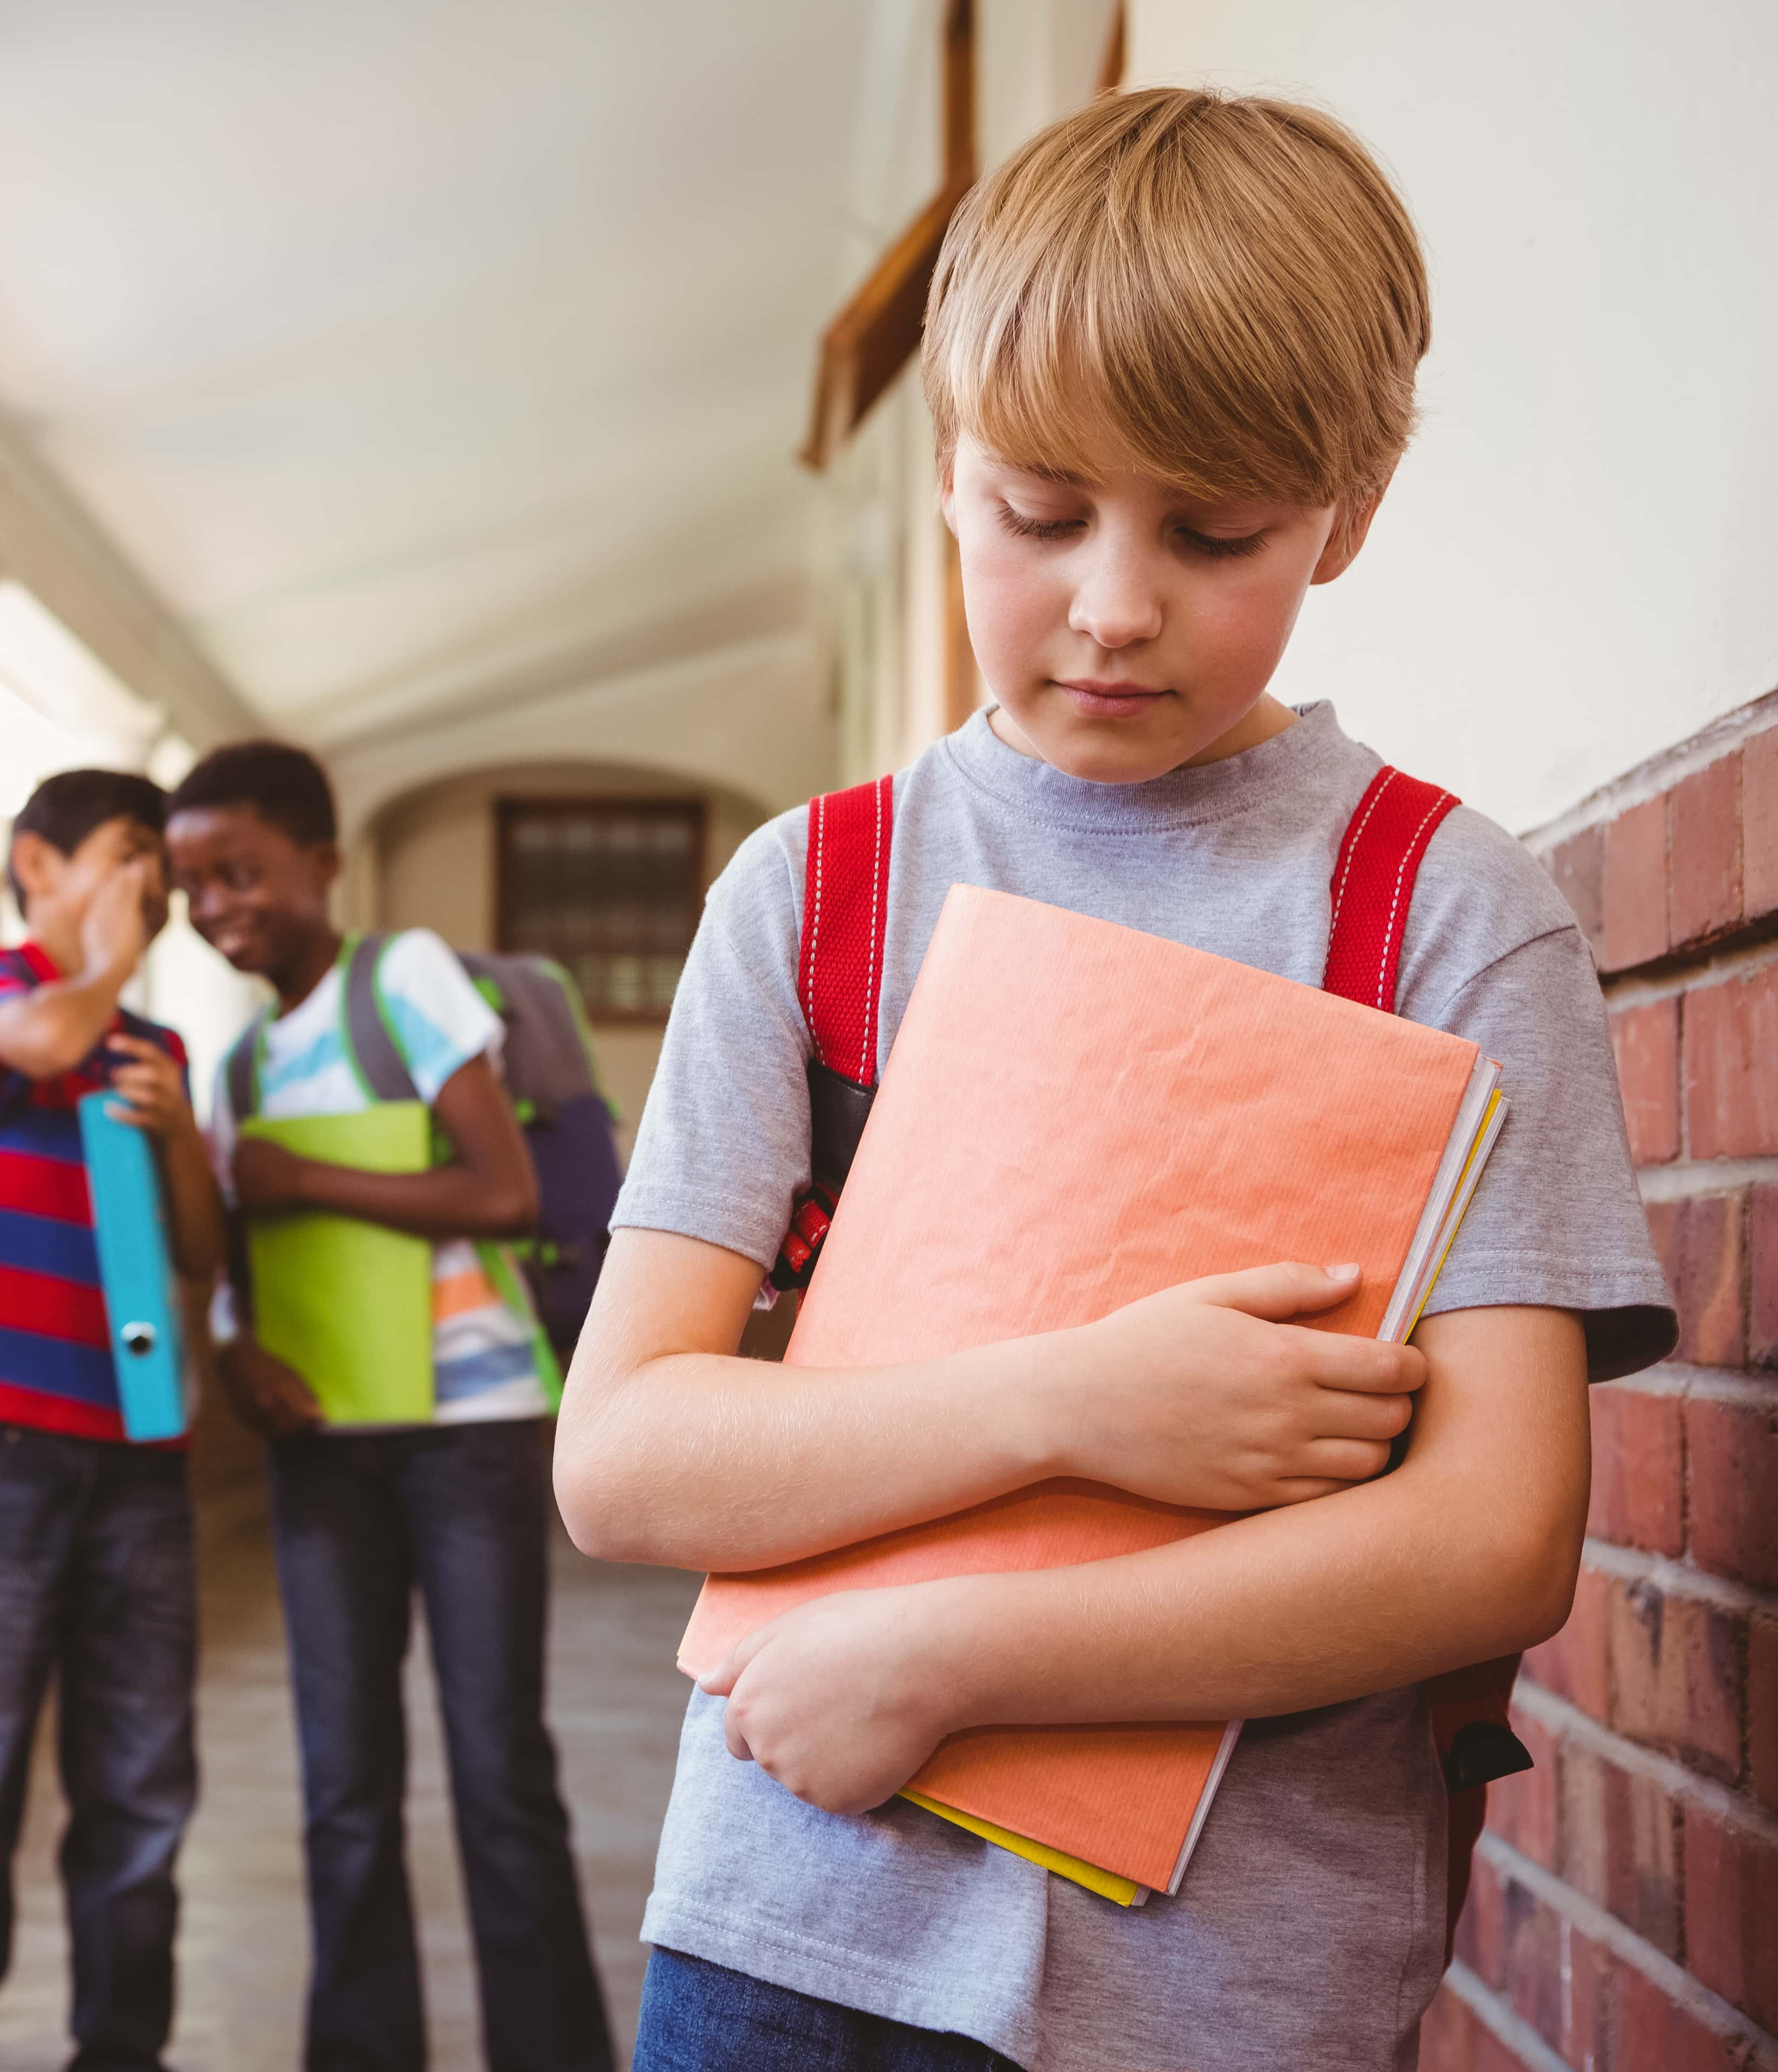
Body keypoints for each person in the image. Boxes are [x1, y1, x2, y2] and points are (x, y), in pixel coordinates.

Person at [552, 88, 1676, 2071]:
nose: (1115, 604)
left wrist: (946, 1651)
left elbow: (1495, 1535)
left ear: (1354, 503)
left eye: (1214, 530)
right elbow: (624, 1454)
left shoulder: (1446, 915)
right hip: (792, 1923)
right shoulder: (814, 893)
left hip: (1229, 1986)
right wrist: (1078, 1404)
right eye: (1042, 511)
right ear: (948, 476)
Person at [163, 739, 614, 2072]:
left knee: (496, 1773)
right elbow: (251, 1275)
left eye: (240, 870)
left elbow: (501, 1193)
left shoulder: (401, 979)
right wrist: (239, 1352)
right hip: (324, 1449)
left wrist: (313, 1183)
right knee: (341, 1786)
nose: (217, 904)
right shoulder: (237, 1070)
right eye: (191, 884)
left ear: (321, 861)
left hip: (466, 1439)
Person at [0, 768, 225, 2072]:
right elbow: (32, 1047)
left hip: (138, 1463)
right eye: (130, 858)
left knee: (140, 1786)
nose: (156, 889)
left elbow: (201, 1252)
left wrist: (181, 1135)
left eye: (161, 869)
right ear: (40, 866)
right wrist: (112, 955)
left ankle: (121, 2049)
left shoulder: (158, 1050)